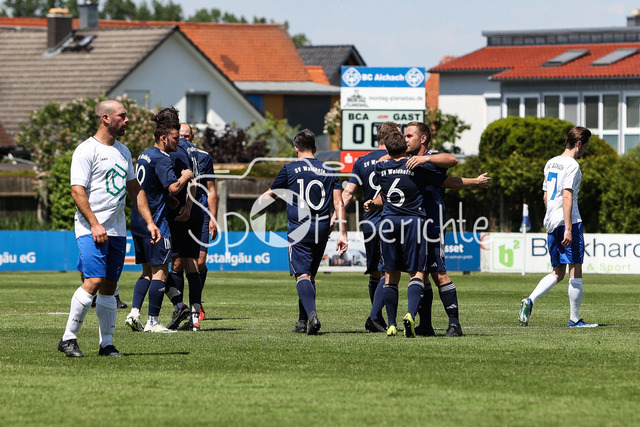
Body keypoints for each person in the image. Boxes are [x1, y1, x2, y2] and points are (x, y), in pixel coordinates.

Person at [58, 99, 160, 357]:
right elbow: (77, 191)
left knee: (110, 287)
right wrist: (94, 224)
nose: (127, 120)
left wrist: (150, 222)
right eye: (122, 116)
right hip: (90, 228)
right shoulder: (86, 150)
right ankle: (68, 338)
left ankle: (107, 344)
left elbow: (135, 189)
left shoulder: (123, 151)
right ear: (105, 118)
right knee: (93, 280)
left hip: (116, 230)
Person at [404, 121, 491, 337]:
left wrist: (425, 159)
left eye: (409, 136)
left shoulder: (432, 157)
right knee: (420, 275)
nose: (405, 140)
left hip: (432, 224)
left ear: (423, 138)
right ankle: (425, 325)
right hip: (412, 225)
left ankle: (454, 324)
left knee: (438, 273)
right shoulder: (405, 160)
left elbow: (452, 161)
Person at [259, 129, 348, 335]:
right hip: (322, 227)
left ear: (296, 147)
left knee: (302, 275)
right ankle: (302, 321)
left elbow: (271, 194)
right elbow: (339, 203)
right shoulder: (329, 169)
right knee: (310, 276)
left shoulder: (289, 169)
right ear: (315, 148)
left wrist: (258, 205)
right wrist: (343, 232)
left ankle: (312, 315)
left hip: (299, 228)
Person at [519, 126, 597, 328]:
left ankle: (530, 300)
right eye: (586, 146)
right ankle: (575, 319)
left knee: (557, 272)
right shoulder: (573, 165)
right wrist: (569, 228)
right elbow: (567, 196)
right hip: (569, 221)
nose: (585, 150)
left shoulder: (550, 163)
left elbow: (546, 196)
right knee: (575, 268)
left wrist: (552, 219)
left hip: (552, 221)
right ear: (578, 143)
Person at [124, 108, 193, 333]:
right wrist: (185, 176)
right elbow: (173, 187)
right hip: (156, 223)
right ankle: (152, 322)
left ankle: (134, 313)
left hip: (138, 220)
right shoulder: (163, 159)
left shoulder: (145, 154)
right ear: (163, 138)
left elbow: (149, 187)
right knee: (160, 273)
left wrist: (166, 199)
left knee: (146, 272)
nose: (178, 142)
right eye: (175, 138)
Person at [169, 123, 218, 322]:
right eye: (180, 136)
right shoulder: (171, 154)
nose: (183, 139)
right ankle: (181, 308)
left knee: (199, 261)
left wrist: (213, 218)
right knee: (178, 263)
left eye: (187, 136)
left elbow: (211, 189)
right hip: (178, 213)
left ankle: (196, 303)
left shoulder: (204, 157)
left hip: (200, 213)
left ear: (192, 137)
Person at [164, 123, 204, 331]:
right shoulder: (194, 152)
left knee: (161, 266)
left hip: (181, 213)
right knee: (186, 264)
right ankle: (191, 316)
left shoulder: (173, 152)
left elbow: (191, 181)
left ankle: (181, 309)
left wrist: (187, 207)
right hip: (189, 211)